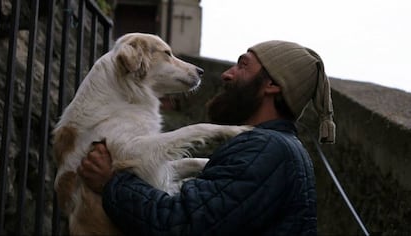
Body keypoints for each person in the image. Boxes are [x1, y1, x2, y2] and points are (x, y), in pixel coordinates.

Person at [78, 40, 336, 235]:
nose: (227, 74)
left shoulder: (265, 149)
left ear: (272, 86)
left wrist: (112, 183)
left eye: (243, 65)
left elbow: (181, 222)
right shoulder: (277, 149)